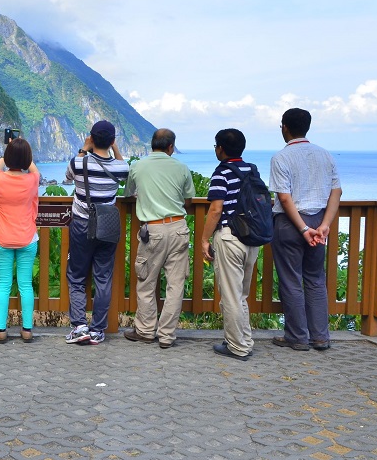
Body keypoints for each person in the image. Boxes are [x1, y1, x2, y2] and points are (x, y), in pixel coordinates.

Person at [270, 108, 341, 352]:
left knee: (291, 281)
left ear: (285, 128)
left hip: (290, 225)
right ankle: (320, 337)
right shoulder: (325, 155)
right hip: (319, 222)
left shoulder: (281, 157)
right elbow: (336, 192)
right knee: (315, 279)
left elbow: (285, 198)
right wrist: (324, 226)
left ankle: (297, 337)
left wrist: (302, 228)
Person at [122, 129, 194, 349]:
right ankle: (166, 335)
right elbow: (189, 200)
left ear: (151, 144)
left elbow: (127, 195)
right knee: (175, 285)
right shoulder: (181, 167)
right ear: (171, 147)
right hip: (178, 228)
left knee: (146, 282)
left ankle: (144, 330)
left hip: (152, 230)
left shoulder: (138, 166)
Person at [64, 121, 129, 345]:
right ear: (111, 141)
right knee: (103, 277)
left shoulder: (79, 162)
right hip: (107, 226)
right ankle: (98, 329)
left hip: (82, 224)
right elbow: (125, 169)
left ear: (91, 137)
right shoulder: (120, 167)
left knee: (76, 275)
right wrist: (115, 148)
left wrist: (84, 147)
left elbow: (68, 177)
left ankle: (80, 326)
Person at [200, 129, 261, 361]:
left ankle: (237, 347)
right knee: (241, 295)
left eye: (216, 146)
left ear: (221, 149)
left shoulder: (222, 172)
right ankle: (244, 340)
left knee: (231, 296)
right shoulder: (251, 169)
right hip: (252, 239)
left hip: (230, 237)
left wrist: (204, 240)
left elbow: (216, 209)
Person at [0, 137, 40, 343]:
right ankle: (26, 330)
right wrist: (22, 155)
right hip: (27, 238)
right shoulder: (32, 180)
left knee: (3, 284)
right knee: (25, 285)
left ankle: (1, 330)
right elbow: (34, 170)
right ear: (27, 159)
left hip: (1, 238)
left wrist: (7, 152)